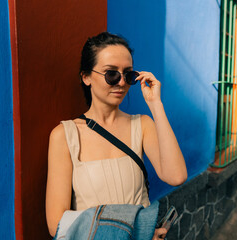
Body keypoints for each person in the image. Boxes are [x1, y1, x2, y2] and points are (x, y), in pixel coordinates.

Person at [46, 32, 187, 239]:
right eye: (111, 74)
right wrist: (139, 231)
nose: (121, 82)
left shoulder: (142, 125)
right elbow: (57, 223)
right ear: (86, 77)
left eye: (128, 75)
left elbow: (176, 176)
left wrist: (155, 104)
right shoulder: (65, 135)